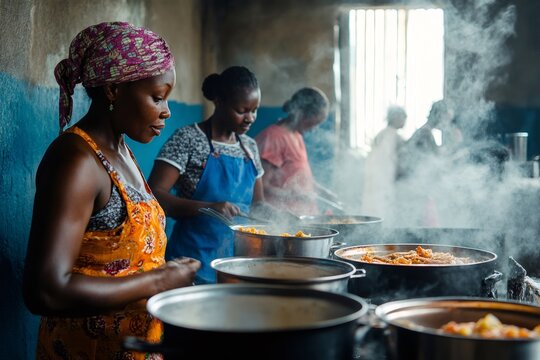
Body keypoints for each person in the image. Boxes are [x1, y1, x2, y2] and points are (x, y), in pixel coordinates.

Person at [22, 22, 201, 360]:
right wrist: (160, 282)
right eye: (157, 97)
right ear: (114, 91)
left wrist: (167, 278)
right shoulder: (76, 161)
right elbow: (45, 291)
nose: (167, 111)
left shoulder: (121, 152)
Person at [148, 66, 265, 284]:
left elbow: (259, 204)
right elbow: (154, 196)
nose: (250, 118)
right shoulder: (188, 138)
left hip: (240, 264)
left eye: (254, 110)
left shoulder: (249, 147)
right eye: (242, 111)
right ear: (219, 101)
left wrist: (286, 219)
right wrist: (208, 207)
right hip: (194, 262)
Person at [255, 87, 336, 215]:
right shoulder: (274, 138)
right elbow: (262, 187)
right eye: (314, 123)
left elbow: (304, 179)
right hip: (283, 218)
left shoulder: (297, 135)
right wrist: (297, 196)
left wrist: (325, 193)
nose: (314, 128)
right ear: (302, 114)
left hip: (303, 215)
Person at [361, 105, 407, 220]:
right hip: (385, 180)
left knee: (374, 210)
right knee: (384, 212)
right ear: (396, 118)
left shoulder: (381, 134)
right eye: (404, 117)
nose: (405, 120)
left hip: (374, 180)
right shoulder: (395, 137)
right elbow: (400, 164)